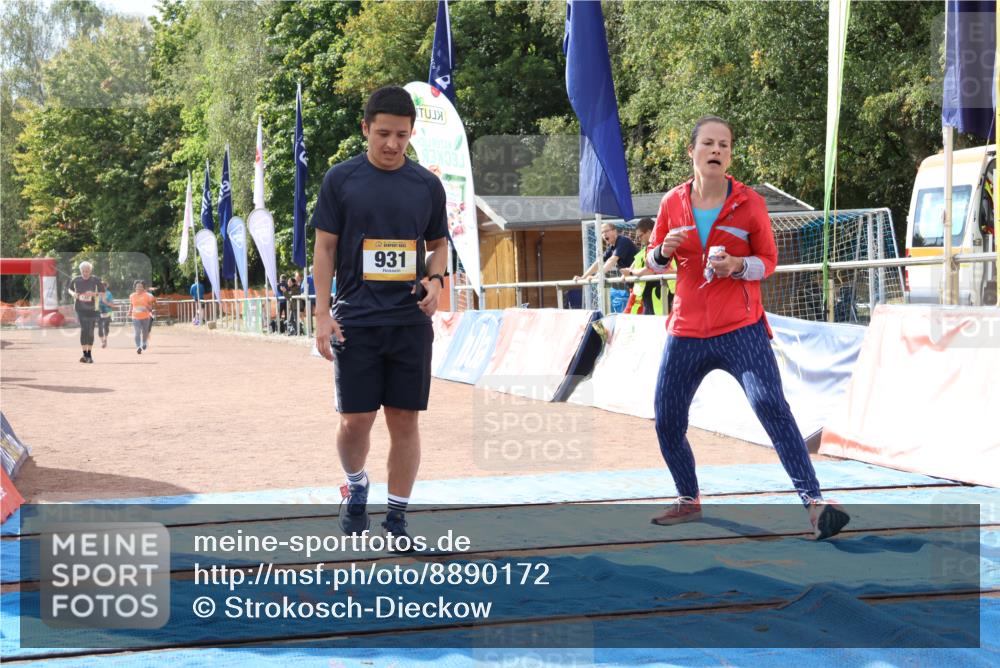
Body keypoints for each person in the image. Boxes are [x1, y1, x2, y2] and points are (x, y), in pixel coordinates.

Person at [644, 115, 849, 540]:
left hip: (742, 328)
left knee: (771, 406)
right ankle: (688, 499)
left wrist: (738, 266)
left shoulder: (750, 203)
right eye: (708, 144)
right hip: (685, 331)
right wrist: (662, 250)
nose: (716, 150)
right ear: (692, 152)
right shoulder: (671, 204)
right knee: (666, 420)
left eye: (724, 145)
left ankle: (815, 505)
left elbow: (768, 262)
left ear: (730, 154)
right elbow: (652, 261)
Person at [312, 85, 449, 550]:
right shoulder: (340, 180)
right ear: (366, 128)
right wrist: (321, 314)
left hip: (409, 322)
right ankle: (355, 483)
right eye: (384, 134)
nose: (392, 144)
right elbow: (325, 248)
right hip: (356, 321)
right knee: (356, 421)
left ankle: (397, 519)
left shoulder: (426, 185)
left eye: (402, 136)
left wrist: (435, 281)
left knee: (405, 420)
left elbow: (438, 244)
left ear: (412, 135)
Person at [621, 217, 672, 315]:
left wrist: (631, 273)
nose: (639, 240)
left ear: (649, 232)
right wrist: (628, 273)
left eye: (640, 236)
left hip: (665, 294)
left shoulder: (664, 248)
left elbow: (652, 270)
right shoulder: (643, 252)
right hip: (649, 298)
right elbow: (631, 270)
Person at [574, 222, 638, 281]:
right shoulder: (612, 247)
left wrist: (597, 276)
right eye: (602, 232)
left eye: (606, 231)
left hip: (640, 278)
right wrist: (583, 277)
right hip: (633, 281)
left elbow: (612, 260)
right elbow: (599, 262)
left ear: (614, 231)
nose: (604, 234)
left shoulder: (623, 241)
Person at [67, 261, 102, 363]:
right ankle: (85, 354)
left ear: (90, 271)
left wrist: (94, 293)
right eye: (83, 271)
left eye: (87, 271)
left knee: (90, 330)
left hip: (93, 309)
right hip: (80, 308)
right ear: (80, 271)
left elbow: (102, 292)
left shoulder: (95, 280)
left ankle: (89, 355)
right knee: (84, 329)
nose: (85, 273)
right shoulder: (76, 279)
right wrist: (73, 294)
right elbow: (69, 289)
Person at [128, 280, 156, 354]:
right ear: (135, 287)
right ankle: (138, 347)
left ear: (143, 288)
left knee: (145, 332)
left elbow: (151, 307)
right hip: (135, 317)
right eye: (137, 286)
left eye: (140, 286)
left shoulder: (147, 296)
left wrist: (148, 307)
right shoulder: (132, 296)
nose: (139, 288)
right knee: (137, 332)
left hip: (145, 317)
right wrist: (129, 311)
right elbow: (131, 305)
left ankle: (144, 342)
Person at [97, 281, 114, 347]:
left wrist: (105, 301)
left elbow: (112, 304)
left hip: (107, 312)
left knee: (106, 326)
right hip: (98, 312)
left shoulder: (109, 293)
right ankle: (102, 342)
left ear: (106, 286)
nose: (103, 287)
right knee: (100, 327)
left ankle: (105, 339)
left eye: (104, 286)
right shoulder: (96, 293)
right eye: (101, 285)